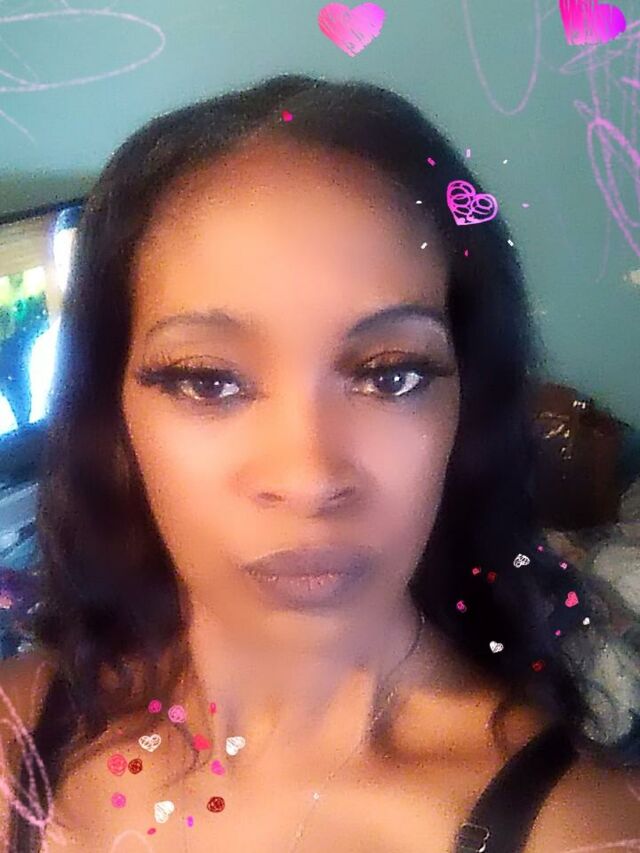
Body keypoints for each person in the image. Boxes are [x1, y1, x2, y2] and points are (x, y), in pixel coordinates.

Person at [0, 73, 639, 853]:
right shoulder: (20, 732)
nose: (309, 478)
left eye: (391, 374)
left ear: (465, 410)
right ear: (113, 418)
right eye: (208, 379)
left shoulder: (584, 828)